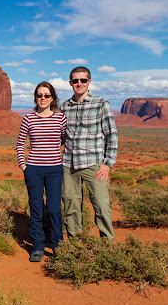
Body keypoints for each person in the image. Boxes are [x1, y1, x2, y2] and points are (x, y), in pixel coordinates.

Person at [60, 66, 118, 242]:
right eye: (75, 80)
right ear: (70, 83)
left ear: (89, 82)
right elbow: (60, 137)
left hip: (94, 164)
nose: (79, 83)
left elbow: (111, 135)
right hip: (69, 165)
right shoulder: (64, 107)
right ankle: (76, 245)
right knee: (71, 206)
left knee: (101, 205)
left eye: (83, 80)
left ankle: (106, 246)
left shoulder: (101, 103)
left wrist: (107, 164)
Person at [16, 82, 67, 262]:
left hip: (55, 170)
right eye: (39, 95)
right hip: (34, 170)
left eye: (46, 95)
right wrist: (24, 167)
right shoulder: (28, 119)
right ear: (35, 98)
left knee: (54, 209)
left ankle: (57, 245)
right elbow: (20, 144)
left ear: (52, 98)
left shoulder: (60, 118)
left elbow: (63, 139)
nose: (43, 98)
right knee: (36, 208)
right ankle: (38, 247)